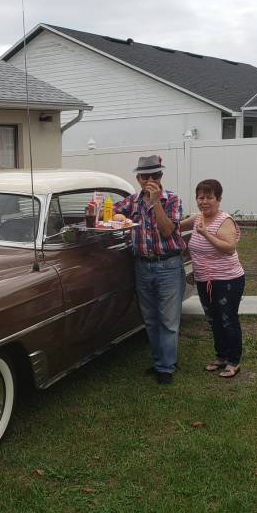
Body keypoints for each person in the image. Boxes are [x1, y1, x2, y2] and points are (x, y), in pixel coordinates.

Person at [114, 155, 186, 384]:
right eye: (146, 176)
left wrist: (156, 203)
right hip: (142, 265)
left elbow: (167, 231)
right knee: (151, 319)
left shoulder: (172, 200)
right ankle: (159, 362)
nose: (151, 179)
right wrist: (114, 215)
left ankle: (166, 367)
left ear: (161, 176)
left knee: (168, 320)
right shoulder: (131, 202)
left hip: (168, 265)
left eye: (156, 175)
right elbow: (108, 213)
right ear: (138, 178)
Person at [181, 179, 245, 378]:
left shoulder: (225, 220)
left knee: (228, 319)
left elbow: (229, 248)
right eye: (201, 197)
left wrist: (206, 234)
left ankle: (234, 361)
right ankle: (221, 357)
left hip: (228, 281)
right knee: (214, 320)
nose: (204, 201)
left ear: (218, 199)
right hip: (204, 280)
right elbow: (175, 226)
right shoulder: (197, 218)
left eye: (209, 197)